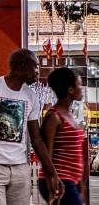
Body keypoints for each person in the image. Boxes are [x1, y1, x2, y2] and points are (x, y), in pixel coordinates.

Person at [0, 49, 64, 205]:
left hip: (20, 168)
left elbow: (36, 138)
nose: (37, 72)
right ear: (23, 66)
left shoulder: (31, 96)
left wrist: (53, 173)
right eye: (35, 66)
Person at [38, 67, 88, 205]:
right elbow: (46, 154)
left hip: (72, 181)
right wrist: (51, 183)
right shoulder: (54, 116)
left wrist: (82, 187)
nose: (82, 88)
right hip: (60, 182)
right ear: (70, 90)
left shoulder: (69, 115)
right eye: (79, 84)